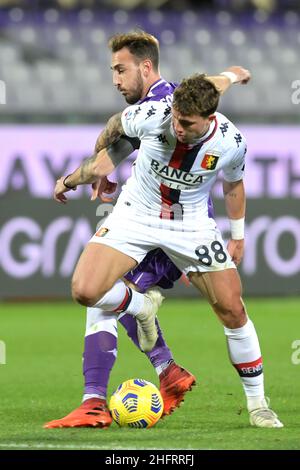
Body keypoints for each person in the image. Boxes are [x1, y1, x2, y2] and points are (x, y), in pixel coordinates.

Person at [50, 33, 278, 429]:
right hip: (136, 212)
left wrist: (237, 234)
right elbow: (113, 131)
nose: (179, 128)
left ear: (210, 119)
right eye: (175, 118)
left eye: (188, 124)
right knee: (85, 291)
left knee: (232, 309)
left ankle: (258, 405)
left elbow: (234, 184)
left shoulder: (231, 141)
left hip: (191, 223)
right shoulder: (155, 113)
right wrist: (71, 180)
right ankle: (142, 309)